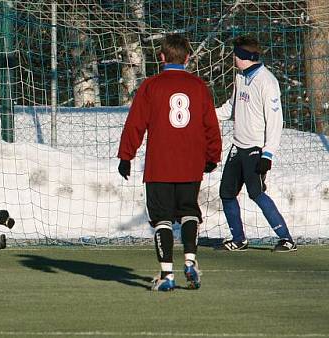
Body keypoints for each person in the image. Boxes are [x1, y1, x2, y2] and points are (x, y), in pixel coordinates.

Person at [117, 34, 222, 291]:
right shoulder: (199, 87)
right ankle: (190, 261)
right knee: (189, 212)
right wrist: (212, 156)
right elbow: (211, 126)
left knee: (162, 218)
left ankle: (167, 275)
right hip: (190, 164)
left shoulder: (151, 86)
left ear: (161, 58)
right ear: (188, 58)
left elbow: (135, 124)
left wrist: (125, 156)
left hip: (159, 165)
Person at [214, 36, 296, 252]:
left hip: (255, 149)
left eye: (236, 53)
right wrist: (206, 115)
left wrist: (267, 154)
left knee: (256, 193)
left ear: (246, 57)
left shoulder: (267, 82)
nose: (233, 57)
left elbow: (275, 122)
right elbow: (231, 108)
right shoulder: (240, 77)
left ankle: (286, 239)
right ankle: (239, 239)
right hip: (237, 146)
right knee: (226, 193)